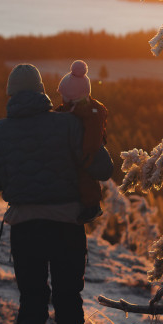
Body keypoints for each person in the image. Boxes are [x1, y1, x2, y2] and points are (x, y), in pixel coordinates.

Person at [0, 63, 113, 324]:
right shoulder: (68, 124)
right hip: (67, 227)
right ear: (42, 91)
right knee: (68, 297)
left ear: (11, 94)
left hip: (24, 229)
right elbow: (103, 169)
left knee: (32, 298)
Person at [55, 60, 109, 223]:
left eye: (63, 97)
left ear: (71, 99)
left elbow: (93, 136)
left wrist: (87, 153)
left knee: (84, 177)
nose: (61, 100)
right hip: (81, 159)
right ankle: (91, 205)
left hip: (84, 159)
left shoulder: (87, 115)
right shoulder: (86, 111)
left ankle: (92, 206)